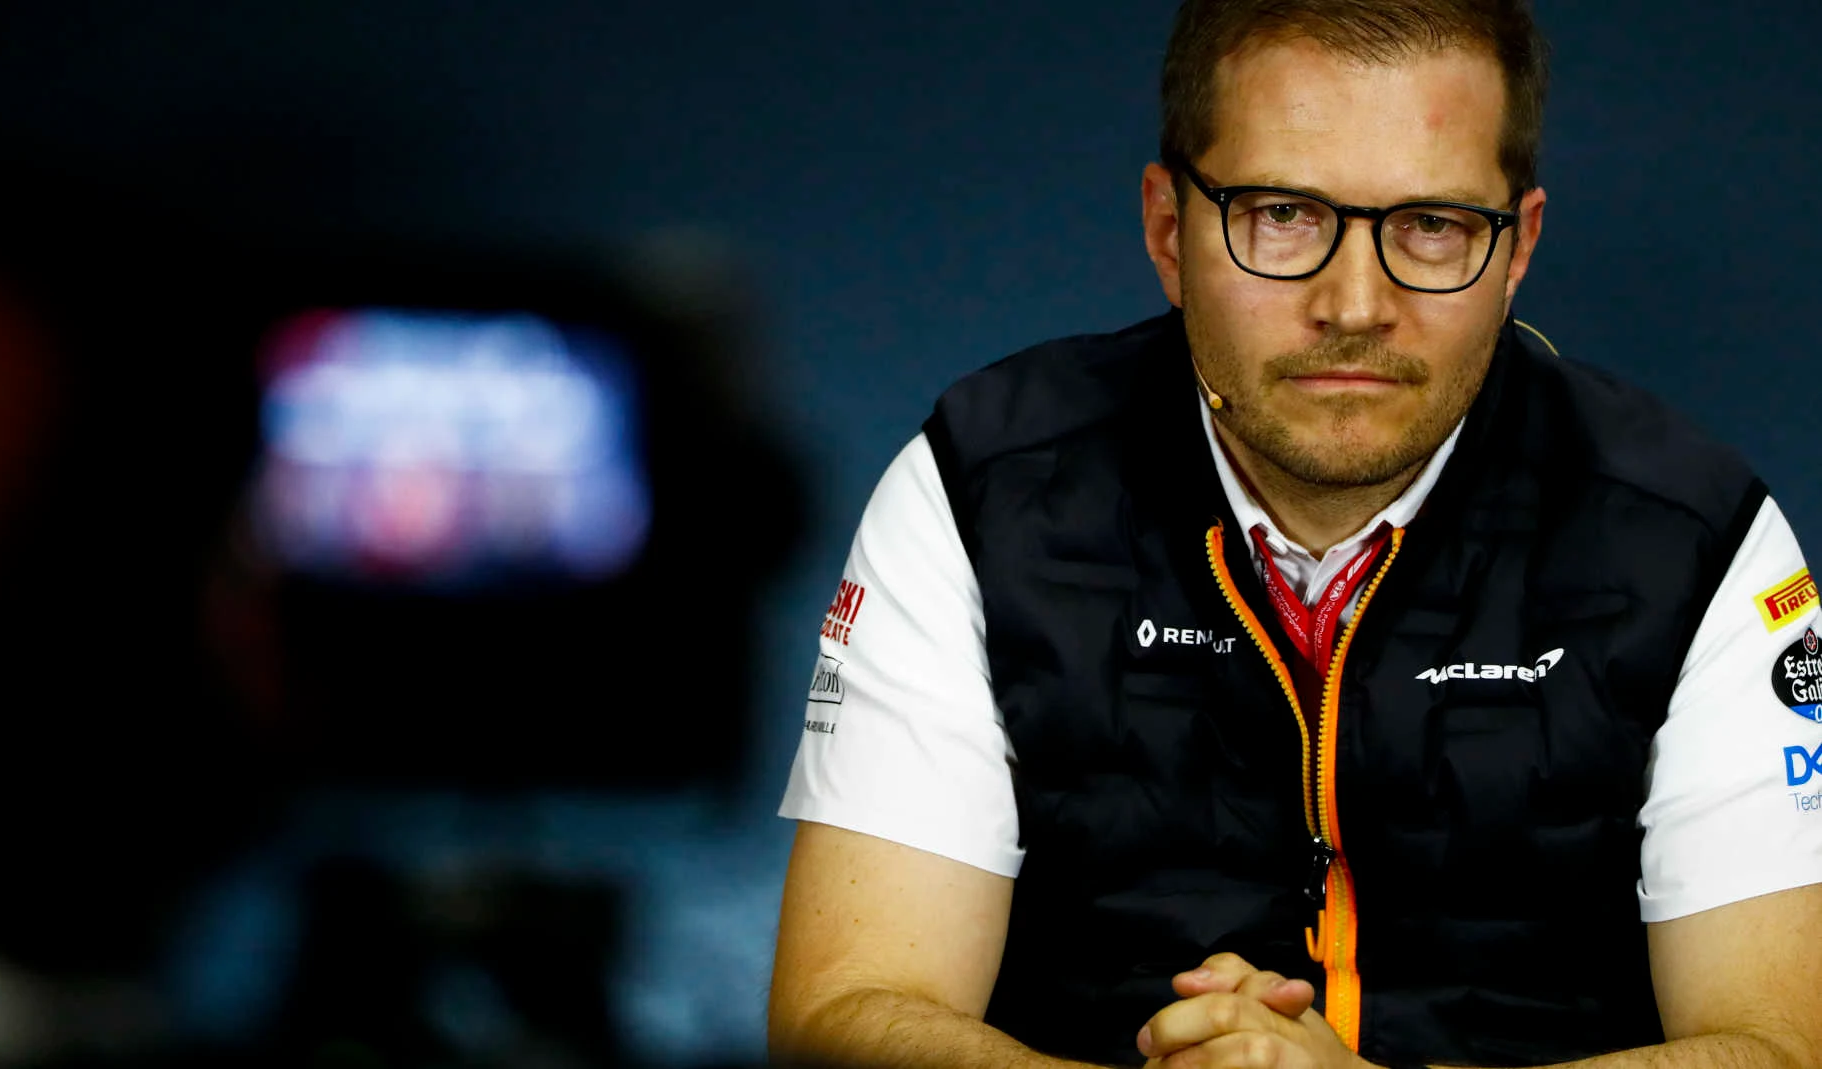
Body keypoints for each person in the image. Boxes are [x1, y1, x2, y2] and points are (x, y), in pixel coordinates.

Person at [765, 2, 1822, 1068]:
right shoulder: (980, 487)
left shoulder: (1695, 534)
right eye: (1282, 213)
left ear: (1516, 251)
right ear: (1168, 231)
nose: (1354, 303)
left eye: (1432, 225)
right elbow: (844, 1010)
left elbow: (1781, 1045)